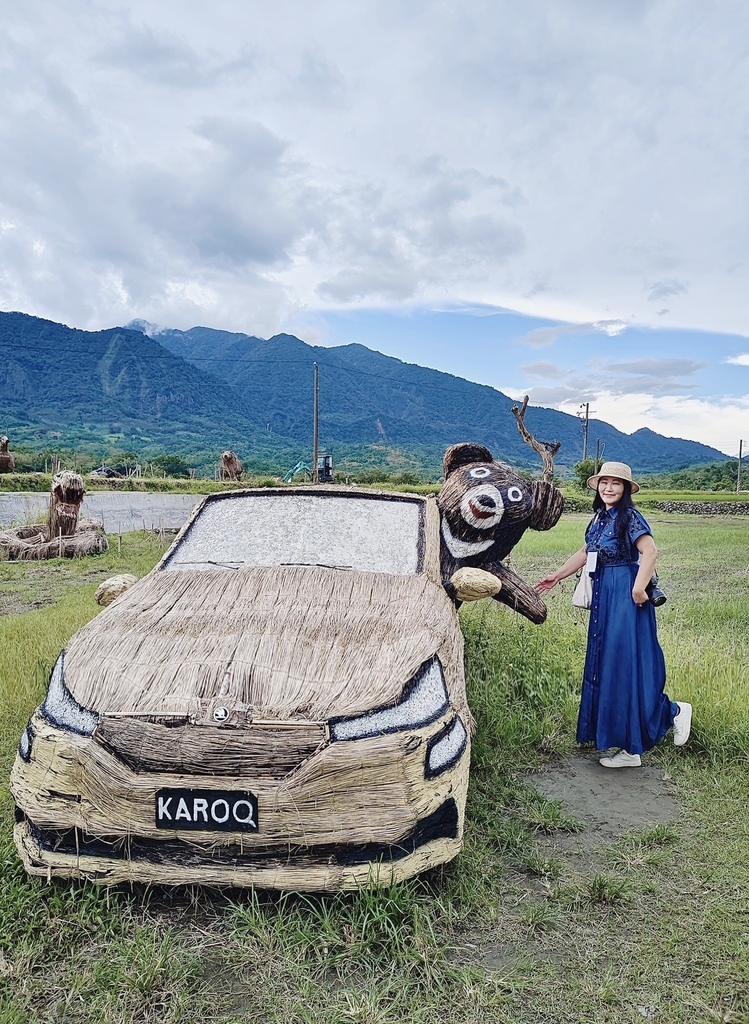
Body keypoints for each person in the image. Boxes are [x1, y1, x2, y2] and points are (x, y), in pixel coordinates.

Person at [536, 461, 692, 768]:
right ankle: (627, 745)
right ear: (597, 487)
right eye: (604, 482)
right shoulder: (598, 519)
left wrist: (637, 589)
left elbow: (650, 552)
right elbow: (586, 552)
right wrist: (557, 575)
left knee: (624, 665)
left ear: (625, 489)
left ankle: (666, 717)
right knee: (608, 665)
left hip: (624, 595)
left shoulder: (629, 517)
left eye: (615, 483)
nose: (609, 488)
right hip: (605, 594)